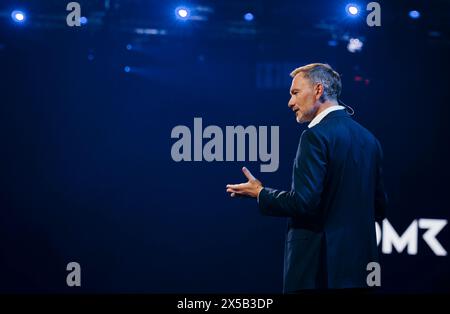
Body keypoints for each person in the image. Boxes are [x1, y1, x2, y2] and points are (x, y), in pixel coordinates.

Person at [226, 63, 387, 293]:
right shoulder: (370, 140)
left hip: (319, 271)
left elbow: (304, 202)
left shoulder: (314, 136)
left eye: (295, 93)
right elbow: (379, 208)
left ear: (318, 90)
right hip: (360, 272)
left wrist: (260, 193)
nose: (290, 103)